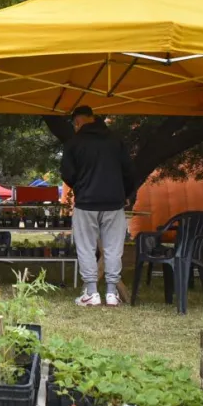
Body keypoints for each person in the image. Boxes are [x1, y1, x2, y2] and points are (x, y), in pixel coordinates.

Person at [60, 105, 136, 307]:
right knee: (113, 248)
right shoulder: (116, 140)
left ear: (77, 122)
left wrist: (80, 185)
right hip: (114, 203)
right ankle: (111, 293)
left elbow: (67, 173)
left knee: (86, 247)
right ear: (93, 118)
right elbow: (129, 171)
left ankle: (91, 293)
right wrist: (126, 193)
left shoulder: (74, 142)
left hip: (86, 202)